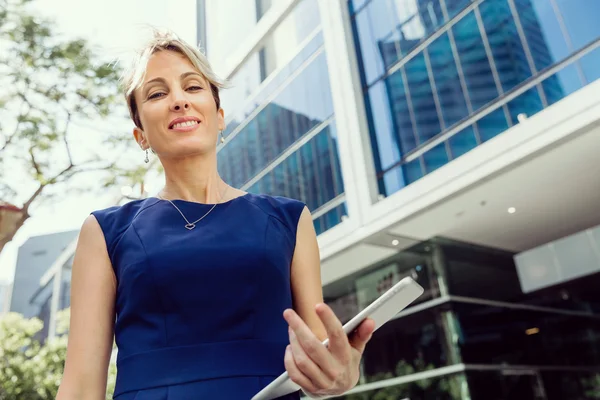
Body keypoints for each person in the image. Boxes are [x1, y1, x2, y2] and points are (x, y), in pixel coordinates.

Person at [56, 29, 375, 400]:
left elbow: (320, 362)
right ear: (140, 135)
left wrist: (342, 376)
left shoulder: (290, 220)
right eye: (157, 93)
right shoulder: (105, 231)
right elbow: (80, 386)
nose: (179, 101)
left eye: (192, 87)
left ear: (219, 116)